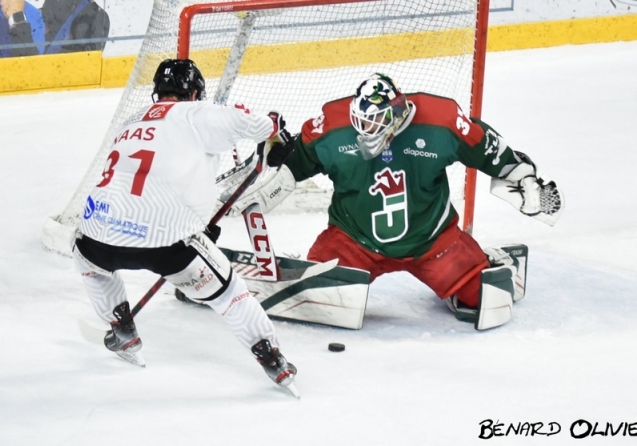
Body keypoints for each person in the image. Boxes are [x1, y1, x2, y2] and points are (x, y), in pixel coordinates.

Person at [229, 73, 564, 330]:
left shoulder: (441, 121)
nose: (367, 134)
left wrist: (523, 176)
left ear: (396, 113)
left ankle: (491, 260)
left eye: (376, 123)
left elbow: (488, 149)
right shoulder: (333, 127)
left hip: (433, 242)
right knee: (318, 303)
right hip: (352, 241)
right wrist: (269, 179)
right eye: (362, 125)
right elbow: (293, 161)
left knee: (484, 301)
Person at [73, 58, 299, 392]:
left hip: (96, 239)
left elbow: (147, 178)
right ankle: (272, 359)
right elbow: (252, 124)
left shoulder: (129, 121)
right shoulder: (198, 113)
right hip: (168, 245)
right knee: (229, 296)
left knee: (86, 260)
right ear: (194, 92)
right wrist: (275, 127)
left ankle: (122, 328)